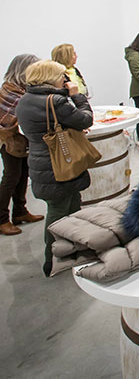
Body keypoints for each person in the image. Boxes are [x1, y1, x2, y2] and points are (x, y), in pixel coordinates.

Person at [16, 60, 93, 276]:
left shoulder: (25, 100)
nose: (65, 80)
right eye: (62, 76)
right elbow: (85, 119)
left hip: (42, 163)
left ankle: (67, 252)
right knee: (61, 211)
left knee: (64, 206)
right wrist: (77, 95)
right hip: (61, 164)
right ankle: (54, 259)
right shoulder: (56, 101)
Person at [0, 54, 43, 236]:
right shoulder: (10, 91)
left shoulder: (22, 90)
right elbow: (12, 118)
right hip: (9, 141)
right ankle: (1, 219)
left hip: (21, 141)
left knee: (23, 174)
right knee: (11, 177)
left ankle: (20, 212)